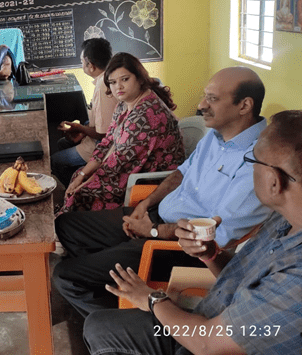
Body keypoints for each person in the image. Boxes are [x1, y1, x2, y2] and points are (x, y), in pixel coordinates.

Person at [53, 67, 272, 317]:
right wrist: (144, 206)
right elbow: (180, 174)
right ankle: (113, 285)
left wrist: (153, 231)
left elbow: (212, 238)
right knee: (66, 225)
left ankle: (131, 327)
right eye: (205, 95)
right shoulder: (216, 136)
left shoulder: (257, 162)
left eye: (212, 98)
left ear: (244, 106)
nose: (201, 105)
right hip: (157, 217)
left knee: (66, 277)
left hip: (178, 248)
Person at [84, 110, 302, 355]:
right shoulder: (283, 221)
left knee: (100, 329)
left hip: (205, 339)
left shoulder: (297, 278)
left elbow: (208, 344)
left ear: (274, 181)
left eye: (252, 161)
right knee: (97, 324)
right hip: (209, 317)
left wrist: (152, 299)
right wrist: (210, 254)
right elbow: (241, 280)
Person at [56, 53, 185, 214]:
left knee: (83, 193)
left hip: (151, 180)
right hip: (130, 168)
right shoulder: (125, 105)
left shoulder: (146, 116)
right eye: (113, 82)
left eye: (125, 79)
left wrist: (87, 182)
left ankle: (78, 229)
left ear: (139, 78)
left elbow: (120, 162)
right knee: (78, 176)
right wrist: (83, 174)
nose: (118, 87)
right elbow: (107, 142)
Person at [51, 38, 117, 187]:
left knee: (55, 160)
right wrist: (83, 130)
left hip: (101, 146)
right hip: (96, 139)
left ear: (91, 66)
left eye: (82, 62)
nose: (82, 65)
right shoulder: (106, 79)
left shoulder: (102, 87)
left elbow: (103, 133)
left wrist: (80, 128)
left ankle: (78, 191)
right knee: (62, 143)